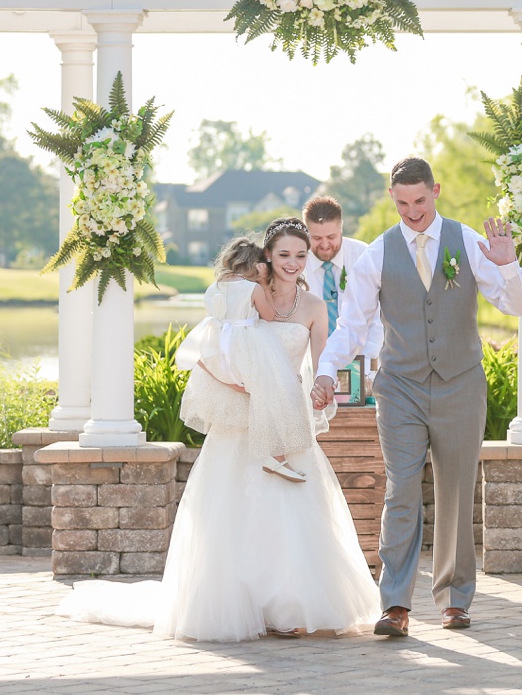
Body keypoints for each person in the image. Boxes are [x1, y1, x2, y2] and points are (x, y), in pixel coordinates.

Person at [61, 217, 380, 643]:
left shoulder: (315, 308)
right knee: (235, 511)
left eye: (301, 256)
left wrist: (324, 385)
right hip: (237, 419)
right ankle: (239, 604)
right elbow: (209, 350)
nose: (293, 263)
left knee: (291, 511)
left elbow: (322, 361)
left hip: (284, 419)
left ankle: (289, 606)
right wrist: (239, 383)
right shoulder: (242, 298)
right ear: (268, 256)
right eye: (284, 254)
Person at [311, 156, 522, 638]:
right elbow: (353, 325)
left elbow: (517, 304)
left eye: (420, 200)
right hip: (402, 387)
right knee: (402, 488)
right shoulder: (377, 255)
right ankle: (395, 604)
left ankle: (455, 599)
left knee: (456, 491)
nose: (412, 212)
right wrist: (327, 369)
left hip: (460, 384)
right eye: (402, 203)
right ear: (393, 199)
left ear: (436, 191)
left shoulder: (471, 242)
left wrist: (508, 261)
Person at [178, 235, 314, 483]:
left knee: (242, 396)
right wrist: (262, 282)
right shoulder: (253, 287)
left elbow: (215, 320)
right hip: (250, 346)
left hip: (221, 346)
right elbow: (270, 315)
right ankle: (276, 455)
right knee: (273, 391)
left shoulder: (213, 289)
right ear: (256, 264)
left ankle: (267, 455)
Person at [302, 194, 382, 367]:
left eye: (331, 237)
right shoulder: (298, 263)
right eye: (316, 238)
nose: (324, 245)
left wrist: (366, 365)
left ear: (341, 229)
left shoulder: (363, 255)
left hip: (360, 359)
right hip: (311, 363)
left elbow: (376, 316)